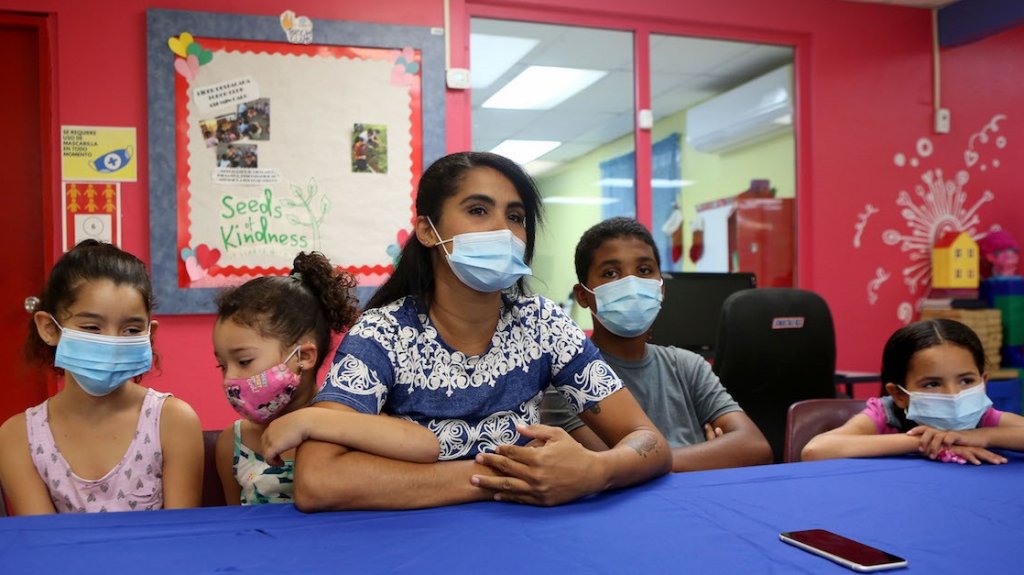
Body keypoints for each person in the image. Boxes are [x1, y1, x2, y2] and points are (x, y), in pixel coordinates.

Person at [295, 151, 671, 510]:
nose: (503, 230)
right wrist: (504, 476)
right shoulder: (383, 333)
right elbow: (317, 479)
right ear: (427, 231)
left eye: (516, 216)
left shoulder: (542, 323)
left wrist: (595, 470)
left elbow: (649, 441)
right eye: (478, 210)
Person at [543, 217, 772, 472]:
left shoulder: (687, 366)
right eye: (611, 273)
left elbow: (755, 447)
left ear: (661, 288)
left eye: (644, 270)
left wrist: (650, 461)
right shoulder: (567, 379)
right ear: (583, 295)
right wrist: (715, 454)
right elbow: (612, 469)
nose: (631, 284)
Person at [213, 252, 439, 505]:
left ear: (305, 357)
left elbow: (427, 444)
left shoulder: (352, 422)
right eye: (222, 366)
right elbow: (233, 525)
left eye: (244, 362)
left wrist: (308, 421)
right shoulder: (233, 443)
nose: (229, 379)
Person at [0, 240, 203, 515]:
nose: (112, 342)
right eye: (92, 327)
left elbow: (181, 534)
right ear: (49, 328)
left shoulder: (173, 421)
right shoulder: (17, 437)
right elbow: (46, 543)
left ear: (149, 335)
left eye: (131, 330)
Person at [802, 318, 1024, 464]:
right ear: (899, 395)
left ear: (983, 382)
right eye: (932, 384)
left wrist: (979, 436)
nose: (953, 394)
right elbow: (816, 450)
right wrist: (923, 443)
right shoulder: (883, 415)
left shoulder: (983, 417)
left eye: (966, 380)